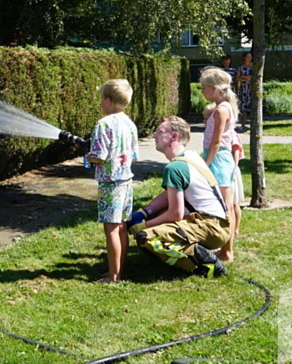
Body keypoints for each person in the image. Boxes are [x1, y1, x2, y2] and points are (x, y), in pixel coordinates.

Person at [125, 117, 229, 278]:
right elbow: (170, 195)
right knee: (156, 224)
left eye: (160, 132)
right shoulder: (190, 157)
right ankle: (195, 250)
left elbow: (175, 213)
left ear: (174, 137)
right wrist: (145, 212)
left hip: (210, 227)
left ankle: (203, 264)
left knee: (146, 238)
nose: (154, 136)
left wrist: (144, 225)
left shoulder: (174, 167)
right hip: (218, 224)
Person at [86, 79, 140, 283]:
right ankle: (118, 270)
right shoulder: (130, 124)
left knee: (110, 229)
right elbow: (134, 155)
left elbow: (99, 156)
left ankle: (113, 276)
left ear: (108, 100)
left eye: (102, 99)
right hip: (126, 181)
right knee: (122, 227)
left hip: (110, 184)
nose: (101, 103)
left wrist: (89, 156)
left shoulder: (103, 124)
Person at [199, 67, 240, 261]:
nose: (202, 91)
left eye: (203, 87)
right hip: (218, 158)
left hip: (219, 160)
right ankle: (224, 248)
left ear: (214, 88)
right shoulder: (220, 108)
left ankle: (227, 251)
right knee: (225, 206)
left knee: (226, 207)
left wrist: (205, 164)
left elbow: (216, 142)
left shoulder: (221, 110)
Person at [236, 51, 253, 132]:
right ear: (244, 57)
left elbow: (252, 78)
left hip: (250, 89)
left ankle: (253, 124)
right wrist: (246, 78)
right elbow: (237, 78)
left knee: (252, 106)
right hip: (243, 89)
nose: (250, 59)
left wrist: (243, 77)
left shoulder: (253, 66)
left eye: (250, 57)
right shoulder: (240, 67)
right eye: (248, 57)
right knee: (243, 108)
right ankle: (243, 124)